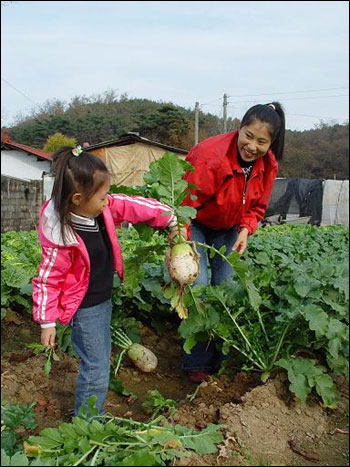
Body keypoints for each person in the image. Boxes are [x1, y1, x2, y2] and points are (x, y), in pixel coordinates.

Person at [32, 145, 177, 417]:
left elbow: (133, 206)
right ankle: (87, 424)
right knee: (96, 366)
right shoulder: (61, 235)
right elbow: (47, 280)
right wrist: (47, 322)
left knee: (98, 358)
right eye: (102, 197)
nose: (107, 201)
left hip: (102, 300)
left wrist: (169, 217)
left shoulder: (100, 209)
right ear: (77, 198)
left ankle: (89, 418)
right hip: (85, 308)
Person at [182, 102, 286, 382]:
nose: (252, 146)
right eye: (248, 136)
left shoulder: (269, 165)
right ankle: (196, 363)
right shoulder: (210, 156)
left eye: (261, 142)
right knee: (199, 287)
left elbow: (257, 207)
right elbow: (184, 202)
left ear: (270, 143)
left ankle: (225, 358)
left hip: (228, 228)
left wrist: (245, 230)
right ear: (239, 129)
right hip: (195, 221)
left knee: (228, 291)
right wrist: (179, 236)